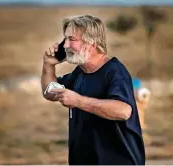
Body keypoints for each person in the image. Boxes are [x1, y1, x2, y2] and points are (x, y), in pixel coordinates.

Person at [41, 15, 145, 165]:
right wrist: (48, 66)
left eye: (72, 40)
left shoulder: (115, 72)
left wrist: (78, 101)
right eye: (65, 39)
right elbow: (50, 93)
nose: (65, 46)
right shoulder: (80, 72)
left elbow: (123, 111)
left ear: (92, 43)